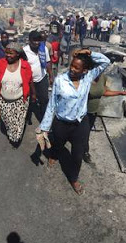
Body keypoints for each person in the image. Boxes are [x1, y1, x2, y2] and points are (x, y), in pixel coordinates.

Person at [39, 49, 110, 195]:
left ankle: (74, 178)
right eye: (72, 65)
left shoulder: (88, 77)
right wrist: (44, 127)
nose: (72, 69)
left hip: (80, 124)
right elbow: (52, 104)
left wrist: (90, 53)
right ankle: (54, 155)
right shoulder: (60, 80)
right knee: (58, 144)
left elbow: (106, 62)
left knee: (77, 155)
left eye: (77, 68)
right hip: (61, 123)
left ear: (84, 70)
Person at [0, 42, 35, 146]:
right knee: (8, 121)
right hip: (4, 101)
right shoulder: (0, 64)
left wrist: (34, 94)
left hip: (20, 101)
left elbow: (30, 82)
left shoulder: (25, 66)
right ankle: (11, 134)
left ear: (18, 54)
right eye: (6, 53)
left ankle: (15, 139)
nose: (8, 55)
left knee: (19, 122)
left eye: (11, 53)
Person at [84, 74, 126, 163]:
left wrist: (121, 93)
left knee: (86, 132)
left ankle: (83, 150)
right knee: (83, 133)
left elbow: (104, 92)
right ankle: (84, 152)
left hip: (93, 112)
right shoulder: (86, 76)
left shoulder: (103, 77)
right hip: (82, 112)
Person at [24, 31, 53, 122]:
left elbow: (48, 62)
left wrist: (51, 76)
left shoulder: (43, 49)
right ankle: (27, 117)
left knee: (44, 99)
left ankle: (44, 119)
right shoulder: (25, 51)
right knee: (28, 100)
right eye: (34, 40)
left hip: (42, 78)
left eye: (38, 40)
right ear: (29, 41)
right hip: (29, 81)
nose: (36, 43)